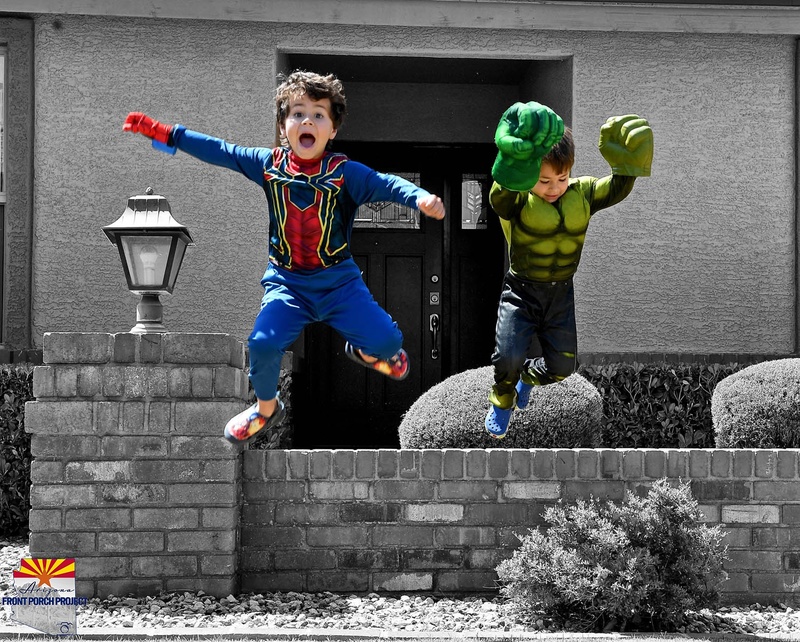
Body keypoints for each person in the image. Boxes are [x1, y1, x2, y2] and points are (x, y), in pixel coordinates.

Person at [123, 70, 445, 444]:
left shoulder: (346, 174)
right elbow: (220, 151)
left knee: (390, 346)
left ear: (333, 130)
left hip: (339, 284)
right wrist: (168, 134)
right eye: (297, 113)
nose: (307, 120)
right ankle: (265, 408)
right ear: (283, 126)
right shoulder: (268, 165)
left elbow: (387, 183)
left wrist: (418, 198)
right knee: (261, 343)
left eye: (318, 114)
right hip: (287, 283)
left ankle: (363, 347)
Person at [485, 101, 653, 439]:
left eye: (561, 178)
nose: (553, 187)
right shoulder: (517, 199)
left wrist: (628, 165)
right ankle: (502, 400)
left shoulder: (583, 193)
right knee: (507, 357)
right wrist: (512, 162)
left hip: (561, 293)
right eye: (544, 180)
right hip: (521, 291)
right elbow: (498, 199)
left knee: (563, 368)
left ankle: (528, 378)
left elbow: (616, 188)